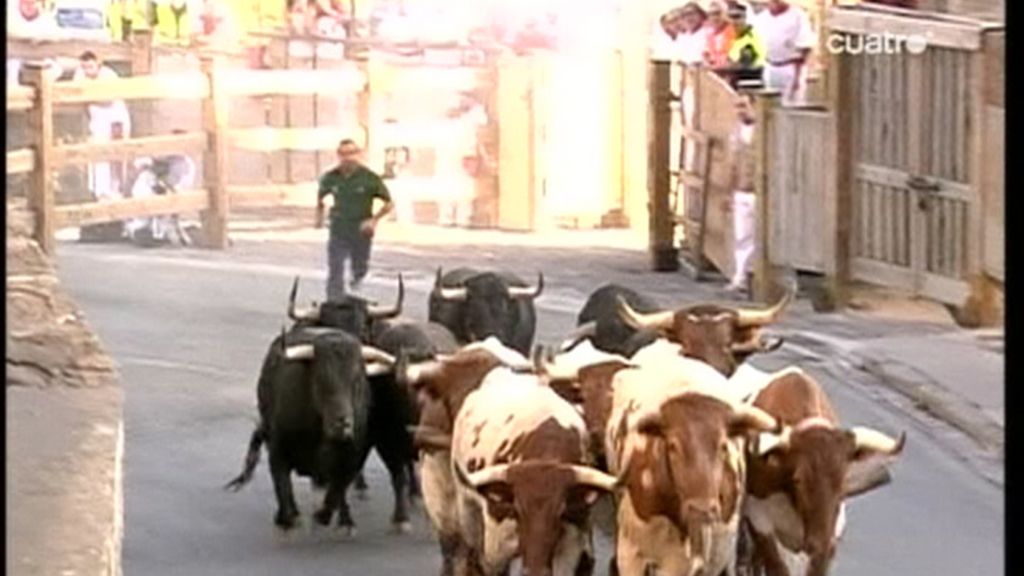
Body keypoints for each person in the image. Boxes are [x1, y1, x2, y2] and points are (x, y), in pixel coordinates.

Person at [316, 139, 395, 299]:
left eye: (351, 153)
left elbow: (389, 203)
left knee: (360, 267)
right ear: (338, 156)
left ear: (358, 154)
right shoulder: (331, 177)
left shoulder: (369, 178)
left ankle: (357, 281)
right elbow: (321, 197)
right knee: (335, 267)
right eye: (343, 154)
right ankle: (334, 302)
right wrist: (319, 218)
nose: (347, 158)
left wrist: (374, 220)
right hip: (339, 229)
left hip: (361, 230)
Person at [754, 0, 815, 106]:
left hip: (790, 67)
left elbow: (806, 46)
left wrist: (797, 75)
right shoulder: (761, 18)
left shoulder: (798, 16)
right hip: (770, 66)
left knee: (791, 105)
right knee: (770, 105)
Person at [726, 92, 758, 294]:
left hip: (759, 192)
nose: (740, 111)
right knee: (742, 236)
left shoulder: (764, 131)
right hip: (741, 190)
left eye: (744, 106)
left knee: (759, 237)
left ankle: (755, 276)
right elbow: (732, 166)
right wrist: (729, 192)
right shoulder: (735, 134)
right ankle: (740, 276)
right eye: (737, 106)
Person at [726, 2, 767, 88]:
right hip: (737, 84)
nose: (734, 21)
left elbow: (742, 65)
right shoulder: (733, 38)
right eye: (731, 17)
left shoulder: (752, 37)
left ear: (745, 18)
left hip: (751, 83)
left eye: (738, 17)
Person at [704, 1, 737, 70]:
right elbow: (706, 55)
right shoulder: (709, 34)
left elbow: (733, 60)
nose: (714, 17)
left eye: (717, 13)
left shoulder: (736, 31)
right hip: (713, 74)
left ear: (726, 14)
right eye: (711, 14)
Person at [675, 2, 710, 66]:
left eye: (692, 14)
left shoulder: (709, 33)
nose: (689, 18)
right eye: (686, 15)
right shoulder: (681, 37)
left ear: (701, 16)